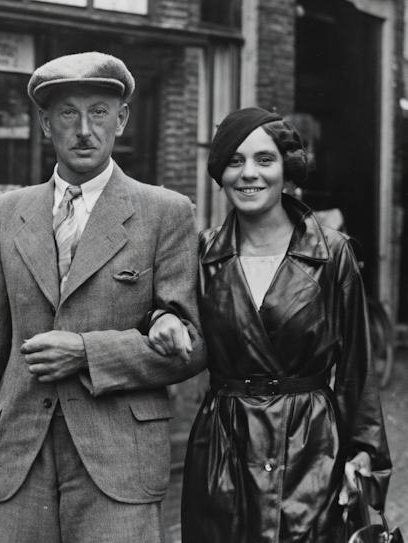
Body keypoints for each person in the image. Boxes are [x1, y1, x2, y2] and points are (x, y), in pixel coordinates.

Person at [0, 52, 206, 543]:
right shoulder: (4, 215)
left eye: (99, 112)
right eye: (67, 113)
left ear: (122, 119)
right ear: (44, 124)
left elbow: (193, 347)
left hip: (120, 465)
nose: (84, 130)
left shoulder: (165, 213)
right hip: (20, 463)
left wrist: (86, 353)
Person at [148, 107, 391, 542]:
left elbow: (357, 366)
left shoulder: (332, 253)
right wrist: (161, 316)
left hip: (311, 449)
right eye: (235, 161)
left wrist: (363, 452)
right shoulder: (201, 254)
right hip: (224, 447)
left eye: (264, 160)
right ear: (220, 174)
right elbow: (167, 308)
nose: (249, 174)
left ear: (287, 170)